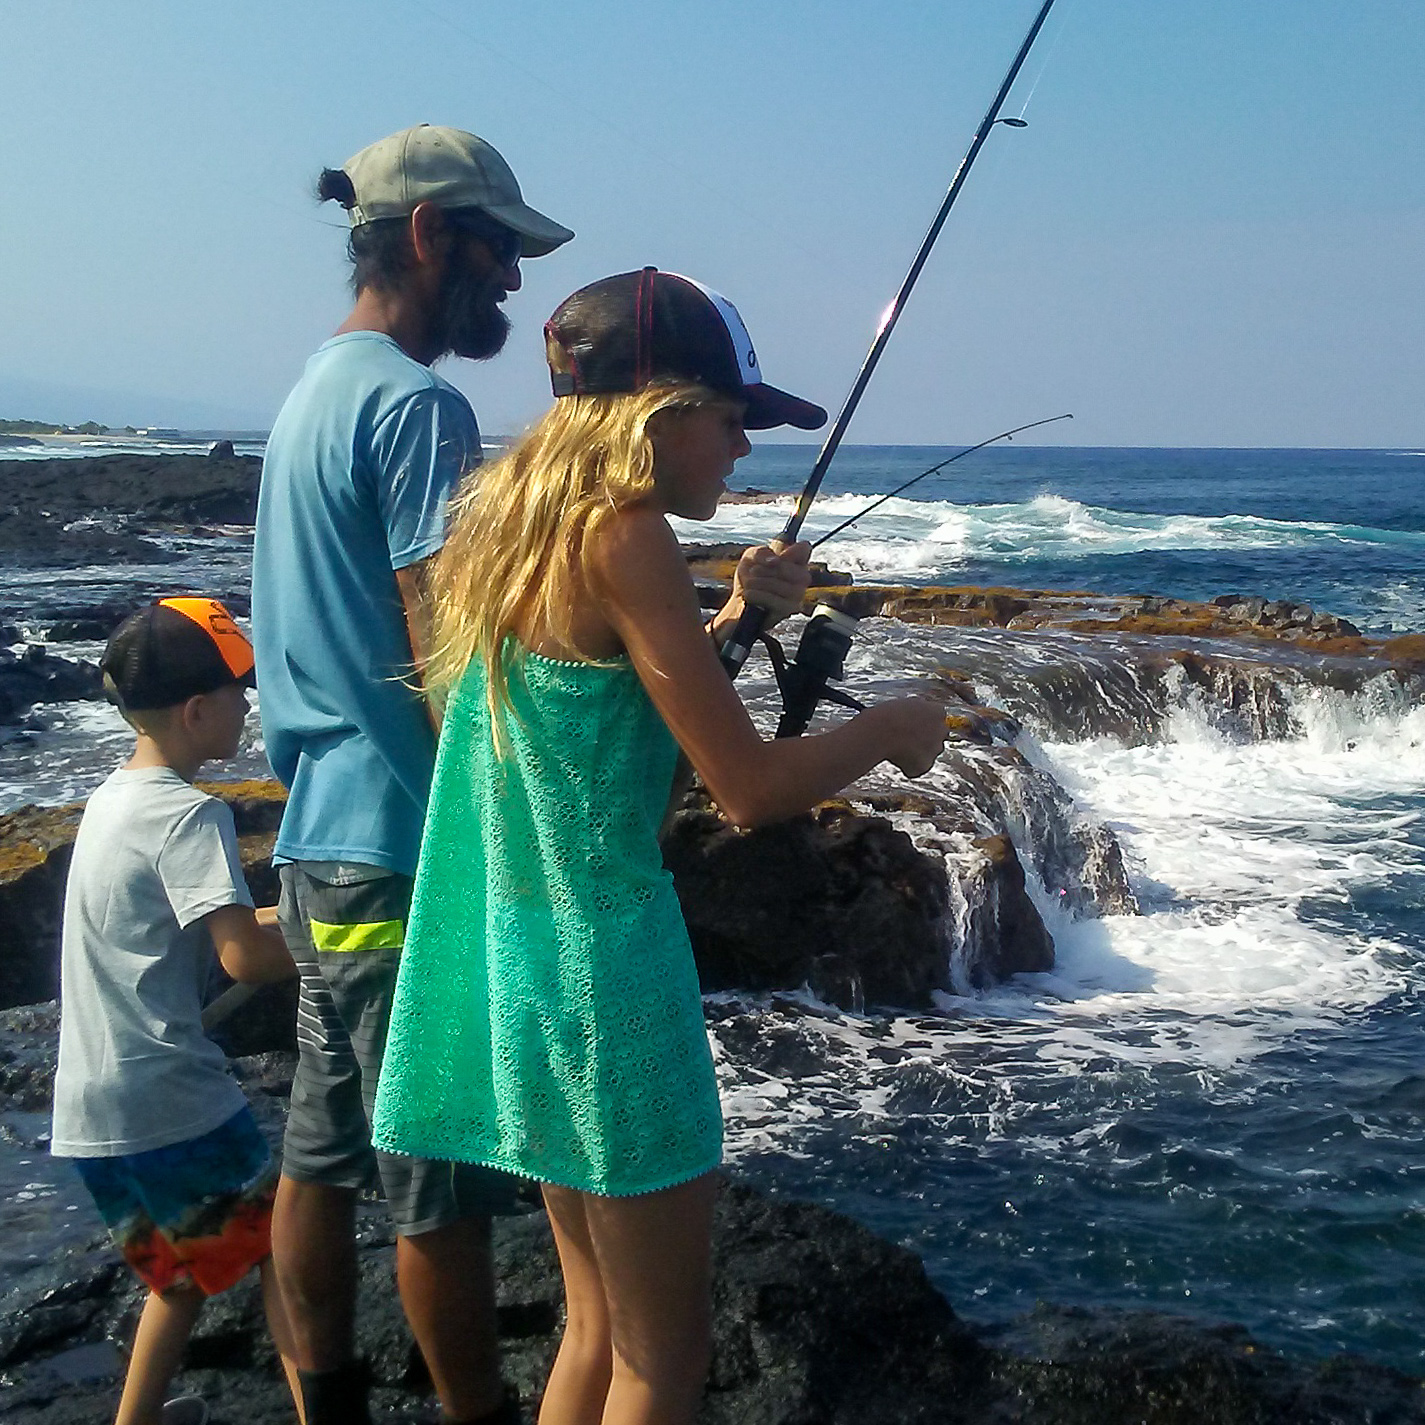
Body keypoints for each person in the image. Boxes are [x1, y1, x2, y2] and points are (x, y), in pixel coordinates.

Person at [370, 268, 950, 1425]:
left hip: (510, 963)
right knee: (662, 1361)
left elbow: (601, 733)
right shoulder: (629, 535)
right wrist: (892, 731)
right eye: (733, 421)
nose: (743, 451)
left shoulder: (502, 530)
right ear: (659, 413)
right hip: (605, 976)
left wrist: (736, 618)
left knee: (593, 1330)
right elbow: (744, 788)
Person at [249, 123, 575, 1425]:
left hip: (309, 848)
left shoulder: (308, 395)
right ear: (432, 235)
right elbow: (450, 655)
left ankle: (322, 1404)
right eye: (496, 250)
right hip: (399, 848)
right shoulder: (413, 405)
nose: (511, 282)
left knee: (318, 1157)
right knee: (431, 1173)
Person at [50, 599, 303, 1425]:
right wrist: (361, 950)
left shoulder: (109, 804)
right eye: (240, 691)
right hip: (171, 1095)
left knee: (182, 1276)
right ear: (198, 712)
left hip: (90, 1100)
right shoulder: (192, 814)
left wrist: (314, 920)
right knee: (279, 1256)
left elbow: (216, 925)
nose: (249, 705)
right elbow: (243, 955)